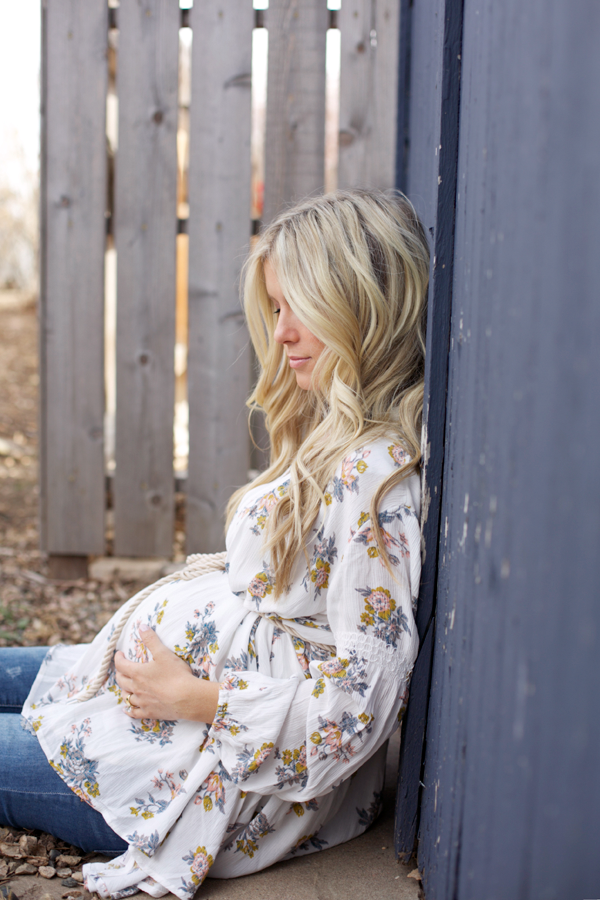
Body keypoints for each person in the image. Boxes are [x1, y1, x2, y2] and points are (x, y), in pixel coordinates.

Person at [0, 189, 430, 899]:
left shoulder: (374, 476)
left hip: (203, 769)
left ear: (359, 307)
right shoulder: (338, 436)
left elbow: (360, 707)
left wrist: (196, 698)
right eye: (276, 308)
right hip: (163, 713)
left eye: (298, 307)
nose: (281, 334)